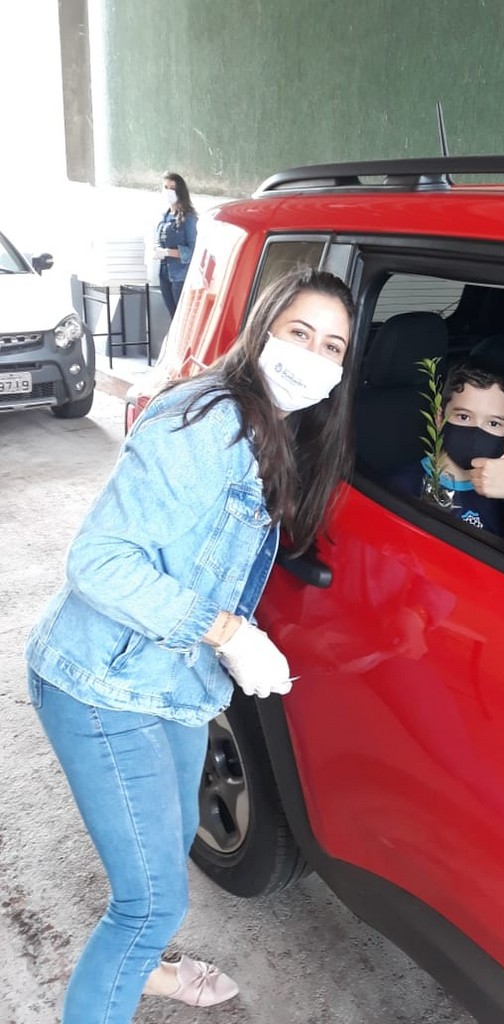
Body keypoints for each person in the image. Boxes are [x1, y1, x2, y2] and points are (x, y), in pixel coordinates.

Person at [24, 266, 356, 1024]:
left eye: (332, 347)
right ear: (264, 329)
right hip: (99, 683)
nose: (312, 356)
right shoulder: (207, 421)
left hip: (172, 684)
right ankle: (133, 959)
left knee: (165, 849)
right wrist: (230, 633)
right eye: (299, 333)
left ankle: (143, 964)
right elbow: (98, 562)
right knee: (148, 903)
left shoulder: (279, 427)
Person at [393, 361, 504, 557]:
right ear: (440, 419)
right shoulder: (405, 486)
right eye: (463, 417)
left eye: (493, 423)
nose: (476, 433)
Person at [154, 171, 198, 317]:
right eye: (165, 187)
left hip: (180, 276)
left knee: (182, 317)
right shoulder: (164, 216)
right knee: (173, 316)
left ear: (180, 191)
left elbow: (192, 251)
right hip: (164, 273)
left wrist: (168, 252)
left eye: (172, 188)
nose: (168, 191)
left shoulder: (189, 218)